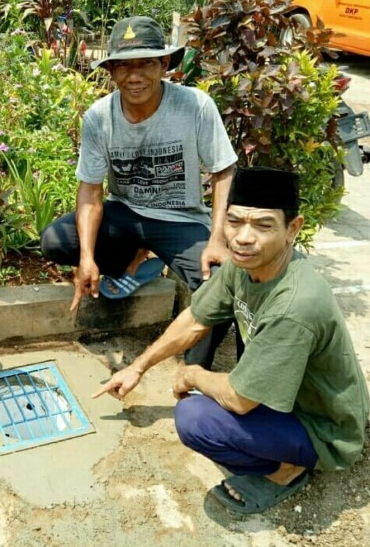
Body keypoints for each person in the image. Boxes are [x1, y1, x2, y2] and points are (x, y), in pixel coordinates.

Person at [93, 167, 370, 514]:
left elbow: (240, 399)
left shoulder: (294, 304)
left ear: (292, 229)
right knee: (207, 400)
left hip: (323, 426)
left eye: (263, 225)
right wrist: (138, 367)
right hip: (287, 397)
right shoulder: (246, 266)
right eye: (234, 221)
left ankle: (288, 470)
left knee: (196, 418)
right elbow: (196, 319)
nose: (243, 237)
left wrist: (192, 374)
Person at [40, 15, 237, 367]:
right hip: (126, 213)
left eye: (145, 63)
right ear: (111, 71)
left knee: (221, 285)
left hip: (180, 219)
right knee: (56, 240)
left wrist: (217, 238)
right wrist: (87, 258)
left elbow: (224, 170)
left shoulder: (194, 106)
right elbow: (90, 192)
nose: (134, 76)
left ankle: (194, 372)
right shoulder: (100, 117)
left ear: (164, 64)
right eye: (123, 65)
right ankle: (131, 261)